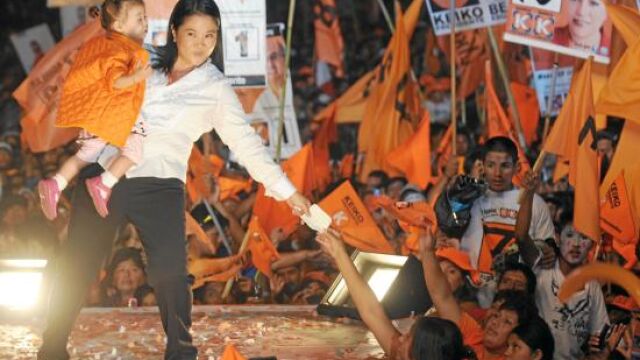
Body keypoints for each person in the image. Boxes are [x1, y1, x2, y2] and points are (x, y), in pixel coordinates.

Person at [37, 1, 311, 359]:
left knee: (170, 275)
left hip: (160, 185)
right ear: (174, 32)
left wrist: (289, 193)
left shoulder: (216, 89)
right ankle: (52, 347)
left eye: (210, 36)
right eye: (192, 33)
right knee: (78, 265)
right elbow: (99, 72)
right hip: (103, 173)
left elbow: (248, 147)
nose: (200, 43)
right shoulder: (140, 58)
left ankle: (181, 351)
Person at [38, 0, 152, 220]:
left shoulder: (104, 44)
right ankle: (103, 183)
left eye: (145, 17)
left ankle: (56, 183)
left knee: (85, 156)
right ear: (118, 25)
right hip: (115, 113)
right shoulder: (119, 49)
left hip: (98, 116)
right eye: (139, 18)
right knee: (134, 151)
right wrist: (136, 77)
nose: (145, 23)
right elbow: (116, 81)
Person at [316, 229, 473, 360]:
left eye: (409, 339)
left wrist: (427, 253)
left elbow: (441, 295)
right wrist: (339, 252)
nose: (401, 337)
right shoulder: (403, 352)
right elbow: (371, 312)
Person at [460, 137, 555, 278]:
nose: (497, 174)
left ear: (516, 167)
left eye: (505, 166)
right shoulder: (468, 200)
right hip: (476, 292)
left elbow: (548, 247)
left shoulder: (535, 202)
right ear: (482, 166)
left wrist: (549, 249)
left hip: (520, 291)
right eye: (491, 165)